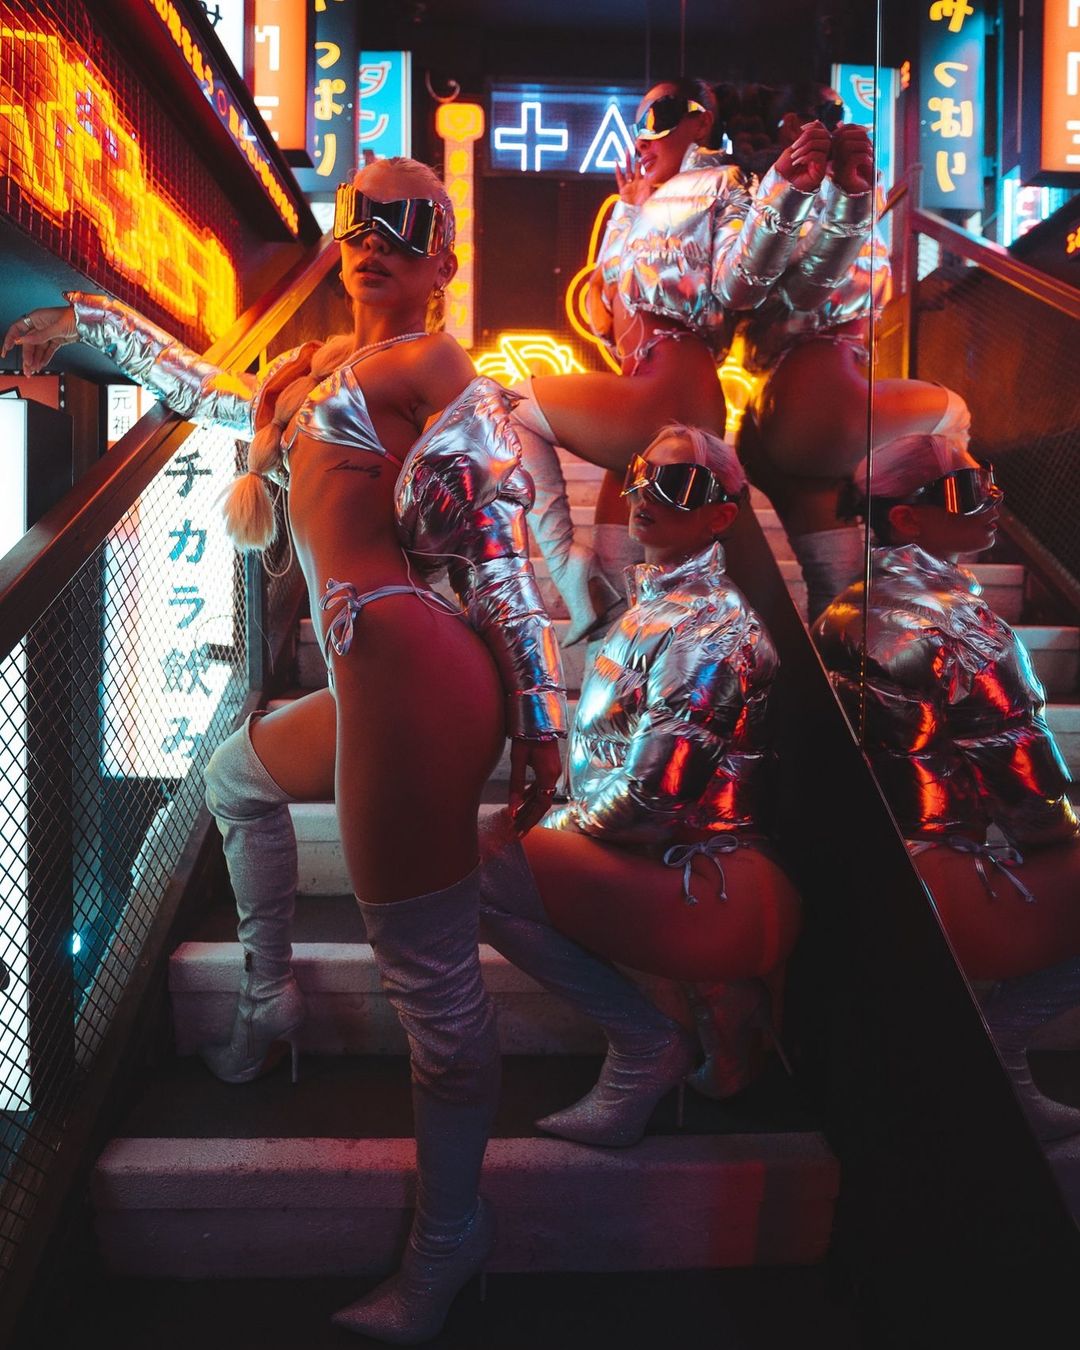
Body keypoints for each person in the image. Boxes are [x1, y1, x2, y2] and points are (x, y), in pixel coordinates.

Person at [4, 156, 566, 1344]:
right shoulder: (315, 369)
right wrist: (86, 320)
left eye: (403, 227)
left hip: (410, 664)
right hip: (375, 676)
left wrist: (545, 725)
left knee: (430, 985)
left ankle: (452, 1243)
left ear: (442, 259)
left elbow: (505, 548)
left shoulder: (431, 364)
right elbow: (212, 398)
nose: (372, 240)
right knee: (232, 775)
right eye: (359, 219)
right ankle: (270, 1000)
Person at [478, 425, 802, 1145]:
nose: (644, 495)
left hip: (702, 876)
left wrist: (556, 829)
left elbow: (656, 799)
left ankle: (647, 1043)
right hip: (673, 862)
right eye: (639, 474)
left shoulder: (706, 626)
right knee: (495, 853)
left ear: (722, 514)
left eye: (677, 484)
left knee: (478, 863)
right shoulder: (658, 608)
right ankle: (695, 1027)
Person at [511, 76, 858, 642]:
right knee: (628, 613)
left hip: (669, 389)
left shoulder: (721, 183)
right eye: (638, 122)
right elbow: (603, 315)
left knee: (505, 405)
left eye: (661, 116)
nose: (642, 137)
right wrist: (629, 212)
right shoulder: (648, 206)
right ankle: (619, 659)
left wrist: (788, 192)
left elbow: (741, 283)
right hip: (642, 386)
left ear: (701, 121)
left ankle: (571, 574)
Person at [813, 433, 1080, 1142]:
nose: (993, 501)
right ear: (906, 519)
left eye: (988, 482)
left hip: (855, 871)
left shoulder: (841, 608)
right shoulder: (966, 627)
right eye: (968, 491)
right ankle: (992, 1054)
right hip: (935, 876)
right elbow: (1031, 805)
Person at [733, 84, 971, 621]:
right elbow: (817, 281)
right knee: (951, 411)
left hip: (779, 418)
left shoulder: (769, 200)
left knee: (837, 595)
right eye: (832, 113)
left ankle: (837, 698)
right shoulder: (816, 194)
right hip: (825, 399)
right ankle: (934, 564)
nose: (841, 123)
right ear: (793, 127)